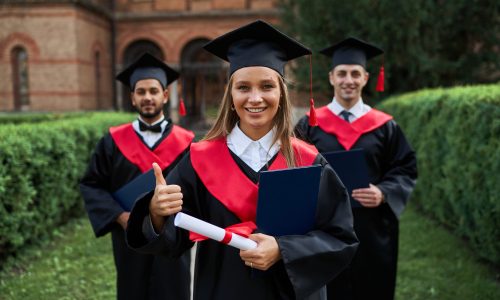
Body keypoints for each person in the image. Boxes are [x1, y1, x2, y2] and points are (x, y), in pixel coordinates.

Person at [125, 20, 359, 300]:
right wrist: (156, 211)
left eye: (267, 86)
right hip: (223, 289)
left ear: (281, 93)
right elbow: (172, 238)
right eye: (244, 87)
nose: (255, 97)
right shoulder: (200, 159)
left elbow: (340, 236)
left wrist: (283, 250)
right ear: (231, 94)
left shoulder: (309, 161)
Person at [294, 37, 418, 300]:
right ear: (331, 78)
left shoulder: (385, 126)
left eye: (355, 73)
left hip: (372, 227)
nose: (348, 80)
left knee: (372, 286)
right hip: (323, 225)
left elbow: (404, 168)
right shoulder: (309, 125)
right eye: (342, 73)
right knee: (329, 287)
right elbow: (293, 169)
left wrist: (384, 192)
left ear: (365, 78)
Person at [80, 53, 193, 300]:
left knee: (173, 289)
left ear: (165, 95)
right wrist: (120, 217)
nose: (147, 97)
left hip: (172, 238)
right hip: (129, 239)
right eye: (140, 92)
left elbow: (197, 192)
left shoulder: (187, 143)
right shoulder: (111, 141)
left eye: (153, 91)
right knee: (133, 289)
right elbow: (92, 184)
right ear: (132, 98)